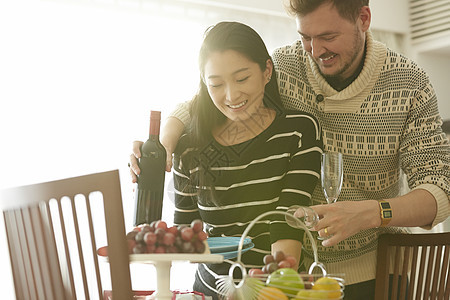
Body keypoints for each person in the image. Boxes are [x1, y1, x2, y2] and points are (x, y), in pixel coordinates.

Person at [131, 1, 450, 299]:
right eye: (306, 37)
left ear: (363, 19)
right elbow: (210, 97)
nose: (315, 51)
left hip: (375, 271)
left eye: (328, 36)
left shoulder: (409, 82)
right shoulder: (285, 65)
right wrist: (164, 141)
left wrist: (372, 213)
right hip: (290, 277)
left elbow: (440, 190)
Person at [130, 21, 323, 299]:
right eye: (217, 84)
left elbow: (287, 220)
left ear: (267, 71)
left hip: (275, 288)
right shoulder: (189, 149)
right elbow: (187, 231)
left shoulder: (299, 130)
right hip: (210, 292)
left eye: (242, 79)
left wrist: (277, 285)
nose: (231, 96)